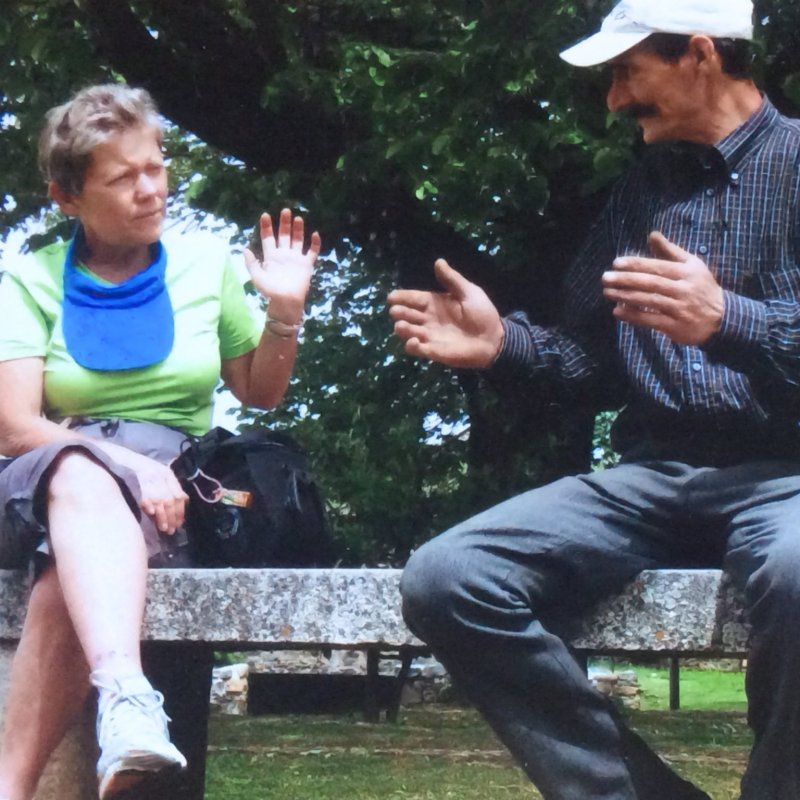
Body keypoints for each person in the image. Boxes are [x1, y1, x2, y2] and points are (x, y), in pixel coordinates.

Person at [389, 0, 800, 797]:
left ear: (702, 55)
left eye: (626, 72)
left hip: (788, 477)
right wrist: (502, 345)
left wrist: (729, 320)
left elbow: (734, 328)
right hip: (653, 478)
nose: (612, 99)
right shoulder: (637, 195)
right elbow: (591, 365)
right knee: (446, 578)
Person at [0, 84, 320, 800]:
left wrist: (285, 311)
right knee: (80, 478)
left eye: (157, 167)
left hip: (168, 492)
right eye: (123, 177)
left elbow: (259, 391)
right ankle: (127, 697)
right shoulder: (28, 277)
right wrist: (121, 464)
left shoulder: (206, 267)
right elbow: (14, 423)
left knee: (73, 564)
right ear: (66, 197)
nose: (151, 190)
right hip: (45, 475)